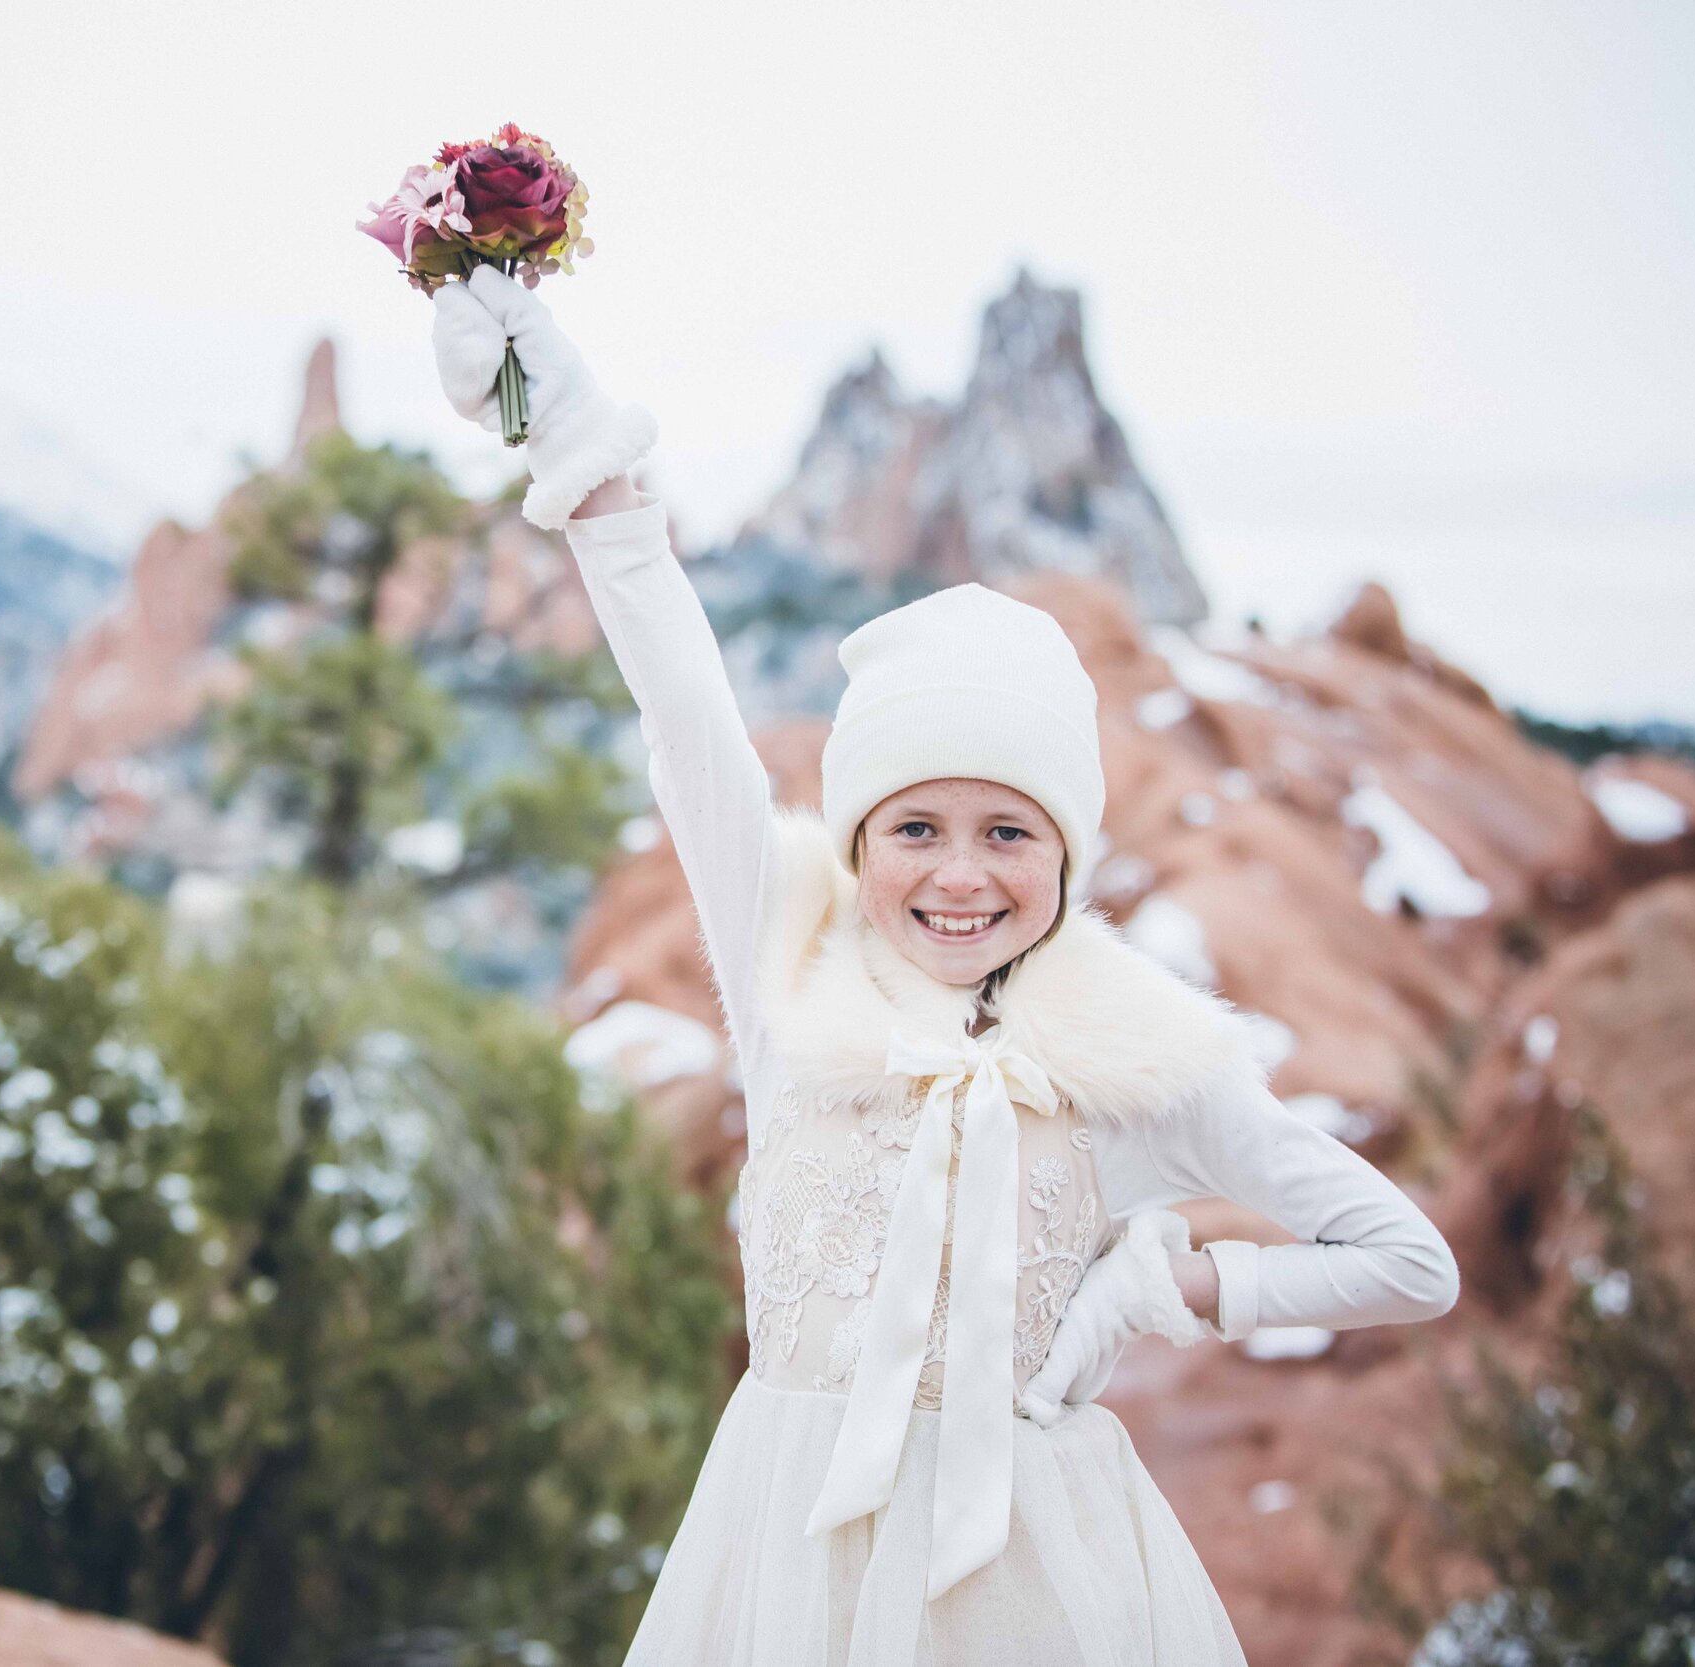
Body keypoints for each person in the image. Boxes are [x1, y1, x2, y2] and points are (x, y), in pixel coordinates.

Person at [426, 266, 1462, 1666]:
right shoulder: (791, 967)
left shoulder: (1140, 1061)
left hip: (1040, 1585)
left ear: (1068, 852)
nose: (959, 872)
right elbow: (686, 716)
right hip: (781, 1564)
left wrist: (1164, 1286)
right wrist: (574, 440)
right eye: (914, 826)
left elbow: (1407, 1262)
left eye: (1008, 831)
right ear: (859, 843)